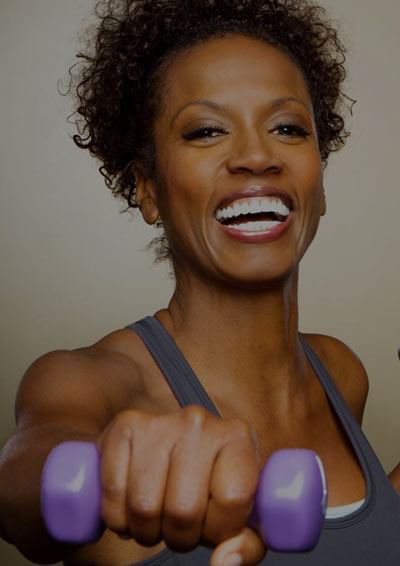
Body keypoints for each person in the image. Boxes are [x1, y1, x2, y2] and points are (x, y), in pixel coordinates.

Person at [0, 0, 399, 564]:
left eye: (287, 127)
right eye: (206, 131)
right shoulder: (91, 383)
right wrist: (105, 467)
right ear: (149, 189)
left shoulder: (340, 372)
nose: (257, 156)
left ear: (321, 182)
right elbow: (22, 487)